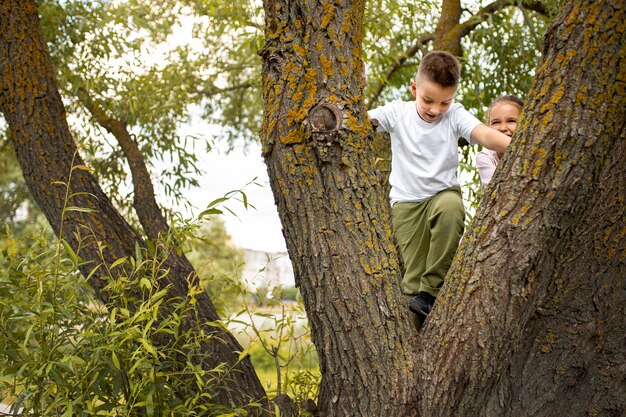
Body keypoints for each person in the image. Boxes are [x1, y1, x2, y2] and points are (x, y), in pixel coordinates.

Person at [368, 51, 511, 324]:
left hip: (442, 195)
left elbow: (483, 134)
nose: (435, 109)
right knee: (413, 278)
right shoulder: (397, 113)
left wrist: (521, 145)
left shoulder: (454, 115)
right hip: (407, 204)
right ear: (414, 88)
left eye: (445, 101)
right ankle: (416, 326)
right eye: (428, 100)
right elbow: (360, 122)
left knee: (451, 207)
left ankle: (432, 292)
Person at [475, 95, 524, 190]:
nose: (503, 128)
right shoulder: (486, 157)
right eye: (496, 122)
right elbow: (493, 190)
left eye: (511, 121)